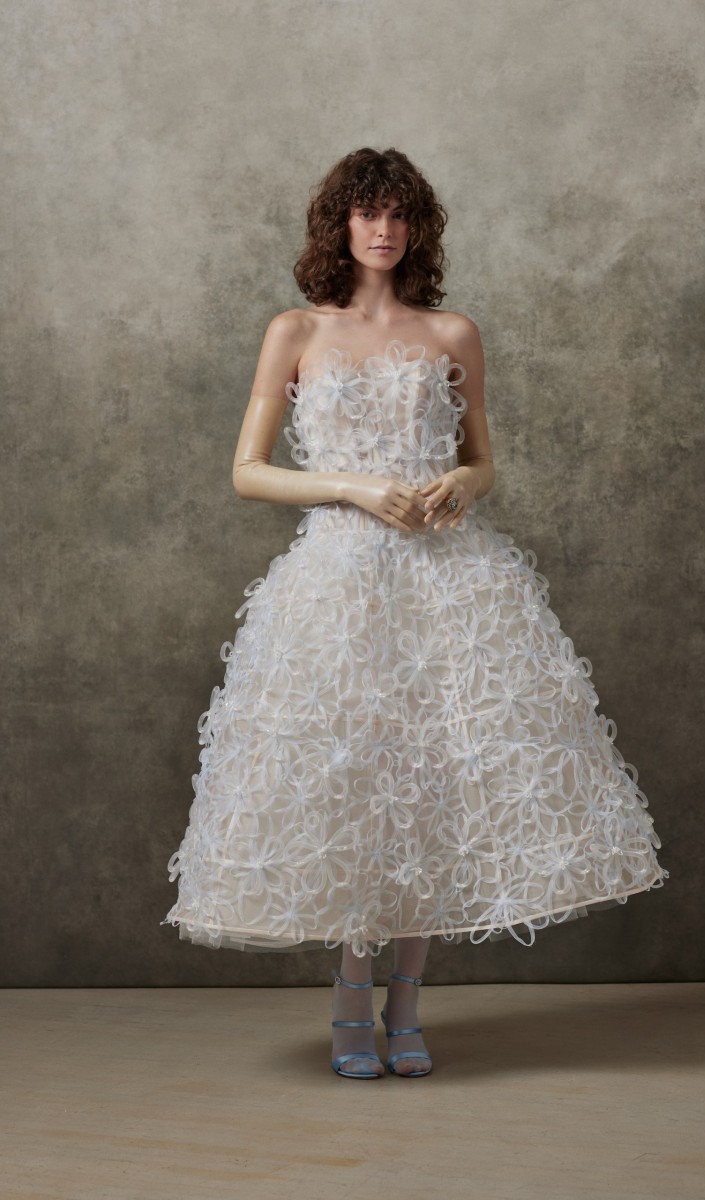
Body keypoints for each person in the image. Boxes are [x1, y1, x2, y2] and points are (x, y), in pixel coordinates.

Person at [161, 146, 669, 1080]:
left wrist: (462, 485)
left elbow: (483, 460)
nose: (384, 229)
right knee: (363, 784)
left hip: (450, 582)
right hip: (340, 585)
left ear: (417, 227)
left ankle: (406, 1004)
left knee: (434, 786)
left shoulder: (452, 333)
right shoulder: (295, 331)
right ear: (340, 224)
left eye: (399, 214)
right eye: (368, 213)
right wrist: (353, 486)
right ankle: (350, 999)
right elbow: (247, 470)